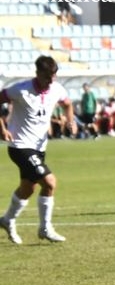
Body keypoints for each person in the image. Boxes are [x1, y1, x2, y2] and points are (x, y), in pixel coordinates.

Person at [0, 55, 75, 244]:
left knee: (27, 188)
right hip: (20, 146)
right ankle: (45, 228)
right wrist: (2, 128)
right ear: (38, 73)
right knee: (49, 183)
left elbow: (67, 104)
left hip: (39, 147)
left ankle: (7, 220)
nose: (51, 81)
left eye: (54, 76)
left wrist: (71, 121)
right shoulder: (20, 90)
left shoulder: (56, 89)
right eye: (47, 77)